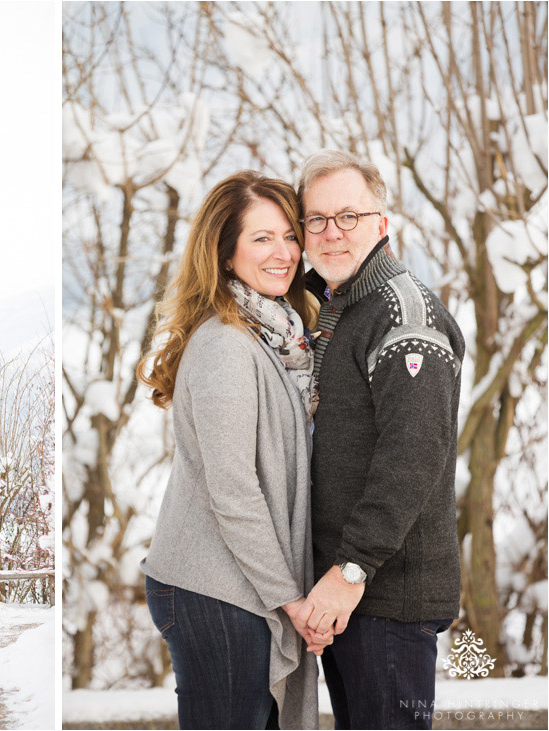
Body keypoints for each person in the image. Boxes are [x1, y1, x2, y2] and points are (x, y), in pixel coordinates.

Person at [137, 171, 327, 730]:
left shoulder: (283, 338)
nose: (284, 252)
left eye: (290, 236)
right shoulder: (226, 344)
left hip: (242, 586)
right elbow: (233, 488)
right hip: (213, 588)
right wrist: (290, 600)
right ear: (224, 253)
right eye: (262, 238)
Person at [296, 150, 464, 730]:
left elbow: (412, 456)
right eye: (316, 219)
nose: (332, 233)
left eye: (349, 216)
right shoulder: (337, 307)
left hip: (386, 598)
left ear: (382, 223)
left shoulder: (403, 315)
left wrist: (349, 573)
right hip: (348, 598)